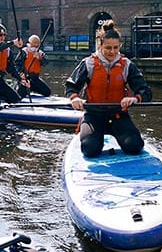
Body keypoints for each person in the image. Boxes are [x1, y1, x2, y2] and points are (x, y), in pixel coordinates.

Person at [65, 20, 153, 158]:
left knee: (134, 147)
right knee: (90, 150)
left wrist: (134, 98)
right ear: (100, 46)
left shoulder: (127, 65)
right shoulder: (88, 64)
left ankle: (121, 134)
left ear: (120, 46)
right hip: (94, 115)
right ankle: (91, 134)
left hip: (118, 114)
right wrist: (75, 98)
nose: (112, 52)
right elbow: (71, 86)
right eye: (108, 48)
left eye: (116, 48)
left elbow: (145, 91)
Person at [15, 34, 52, 99]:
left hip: (35, 78)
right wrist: (20, 73)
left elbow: (46, 63)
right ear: (30, 42)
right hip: (26, 78)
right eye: (34, 43)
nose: (36, 45)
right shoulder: (24, 51)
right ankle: (20, 87)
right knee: (20, 94)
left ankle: (32, 88)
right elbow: (17, 63)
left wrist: (40, 58)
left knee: (47, 92)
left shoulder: (40, 52)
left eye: (38, 43)